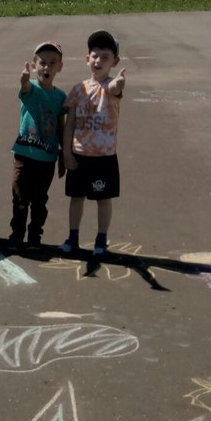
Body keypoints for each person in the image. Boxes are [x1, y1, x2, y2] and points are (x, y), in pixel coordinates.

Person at [60, 30, 127, 256]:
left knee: (103, 199)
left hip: (104, 157)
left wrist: (119, 83)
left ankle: (101, 239)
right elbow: (70, 124)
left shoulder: (111, 87)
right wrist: (66, 153)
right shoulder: (78, 89)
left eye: (105, 57)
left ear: (114, 62)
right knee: (76, 197)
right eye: (95, 56)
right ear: (87, 58)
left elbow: (115, 88)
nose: (98, 61)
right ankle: (73, 237)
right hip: (79, 154)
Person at [9, 41, 67, 248]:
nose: (47, 67)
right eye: (42, 63)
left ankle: (35, 235)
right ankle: (17, 234)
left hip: (47, 158)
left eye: (52, 63)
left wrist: (64, 154)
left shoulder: (60, 97)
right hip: (24, 154)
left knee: (39, 200)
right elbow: (24, 88)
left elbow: (61, 126)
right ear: (34, 66)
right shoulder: (31, 88)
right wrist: (24, 80)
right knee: (19, 196)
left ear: (59, 67)